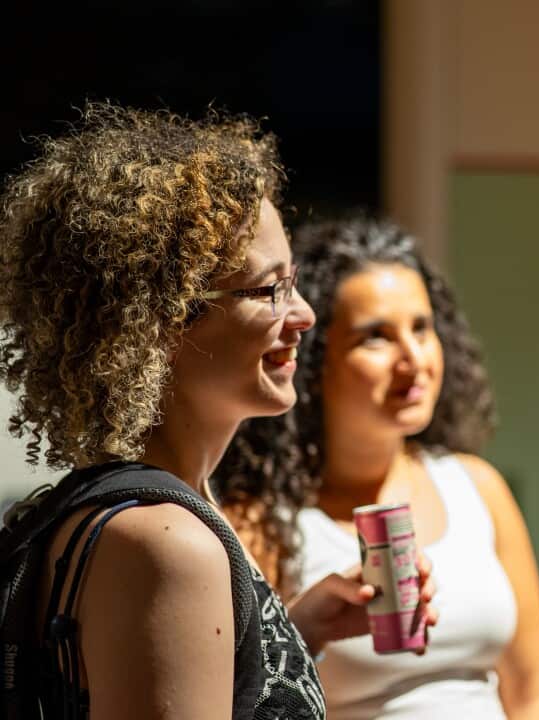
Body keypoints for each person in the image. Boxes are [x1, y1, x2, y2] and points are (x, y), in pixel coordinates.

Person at [0, 104, 435, 720]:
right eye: (269, 290)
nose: (305, 314)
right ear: (160, 324)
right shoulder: (169, 544)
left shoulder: (124, 511)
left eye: (296, 281)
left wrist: (299, 632)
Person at [215, 218, 539, 720]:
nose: (413, 359)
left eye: (422, 329)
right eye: (376, 337)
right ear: (314, 360)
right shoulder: (259, 525)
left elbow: (534, 687)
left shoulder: (478, 487)